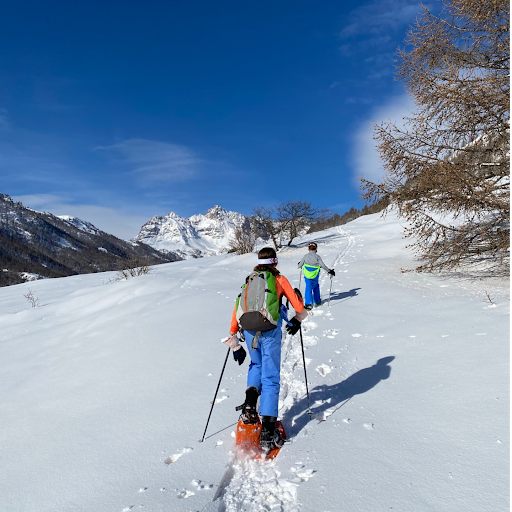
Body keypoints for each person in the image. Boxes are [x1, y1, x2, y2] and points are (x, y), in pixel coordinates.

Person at [224, 247, 307, 451]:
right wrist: (297, 319)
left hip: (249, 331)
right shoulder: (279, 280)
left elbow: (237, 308)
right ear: (275, 261)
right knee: (270, 378)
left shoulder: (249, 280)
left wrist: (234, 336)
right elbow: (299, 307)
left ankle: (250, 405)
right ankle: (268, 432)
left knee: (255, 365)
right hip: (270, 332)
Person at [298, 242, 335, 310]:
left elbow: (300, 265)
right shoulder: (317, 257)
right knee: (316, 287)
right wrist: (329, 271)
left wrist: (299, 264)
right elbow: (323, 265)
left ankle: (308, 304)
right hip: (315, 275)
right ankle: (317, 301)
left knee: (308, 289)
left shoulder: (305, 256)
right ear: (316, 249)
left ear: (308, 249)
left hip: (307, 276)